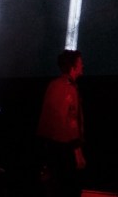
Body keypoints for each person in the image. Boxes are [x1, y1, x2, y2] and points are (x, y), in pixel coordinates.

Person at [36, 49, 86, 197]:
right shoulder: (67, 88)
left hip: (52, 147)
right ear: (73, 67)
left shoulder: (54, 85)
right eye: (80, 63)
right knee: (68, 187)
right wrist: (77, 152)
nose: (83, 66)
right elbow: (68, 122)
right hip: (64, 150)